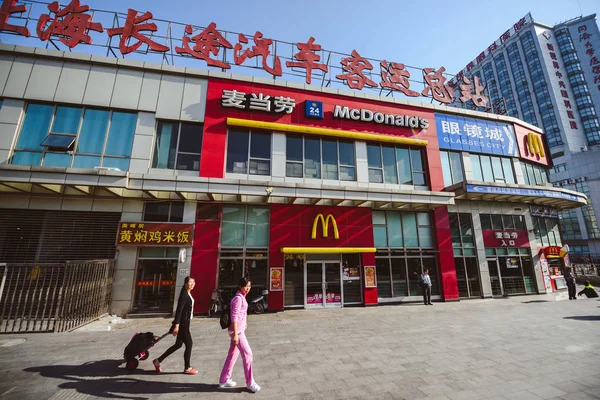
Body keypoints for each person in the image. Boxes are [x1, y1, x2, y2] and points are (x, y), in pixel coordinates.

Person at [219, 277, 261, 393]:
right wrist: (237, 334)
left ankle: (224, 379)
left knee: (232, 355)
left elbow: (241, 313)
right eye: (245, 286)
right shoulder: (238, 298)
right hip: (237, 332)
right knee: (248, 354)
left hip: (237, 330)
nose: (247, 289)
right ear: (240, 286)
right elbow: (234, 316)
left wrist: (245, 322)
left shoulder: (242, 297)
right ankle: (250, 383)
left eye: (249, 286)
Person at [153, 276, 197, 374]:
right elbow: (179, 311)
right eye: (190, 283)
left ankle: (157, 361)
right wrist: (176, 325)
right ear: (186, 283)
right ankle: (187, 368)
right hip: (183, 324)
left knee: (178, 345)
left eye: (193, 283)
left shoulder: (188, 293)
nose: (192, 284)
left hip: (186, 322)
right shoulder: (184, 295)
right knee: (189, 344)